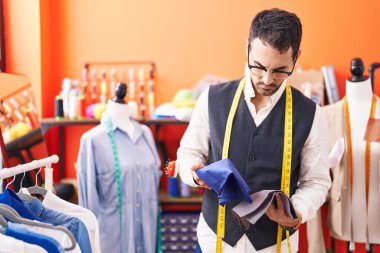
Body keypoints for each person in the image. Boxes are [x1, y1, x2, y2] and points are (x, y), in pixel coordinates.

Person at [177, 8, 331, 253]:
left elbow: (317, 181)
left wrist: (297, 212)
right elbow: (187, 153)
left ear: (296, 56)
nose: (267, 79)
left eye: (280, 70)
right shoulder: (211, 99)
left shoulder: (312, 115)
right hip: (215, 239)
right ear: (247, 48)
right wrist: (193, 172)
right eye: (258, 66)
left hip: (275, 244)